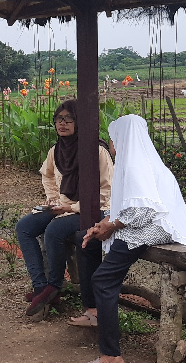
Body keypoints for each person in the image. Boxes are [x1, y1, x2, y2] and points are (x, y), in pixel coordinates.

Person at [76, 114, 186, 363]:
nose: (112, 146)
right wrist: (104, 224)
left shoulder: (135, 164)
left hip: (156, 227)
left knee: (103, 280)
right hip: (153, 224)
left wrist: (112, 226)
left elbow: (144, 212)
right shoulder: (142, 160)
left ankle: (111, 358)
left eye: (114, 139)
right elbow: (127, 208)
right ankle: (98, 318)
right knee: (90, 244)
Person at [15, 99, 113, 317]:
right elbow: (47, 174)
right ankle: (41, 286)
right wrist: (53, 199)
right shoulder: (57, 150)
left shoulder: (97, 150)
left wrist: (72, 208)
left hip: (96, 210)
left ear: (81, 122)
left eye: (69, 119)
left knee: (54, 231)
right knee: (25, 227)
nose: (63, 123)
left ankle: (54, 285)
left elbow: (106, 190)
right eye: (59, 119)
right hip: (64, 206)